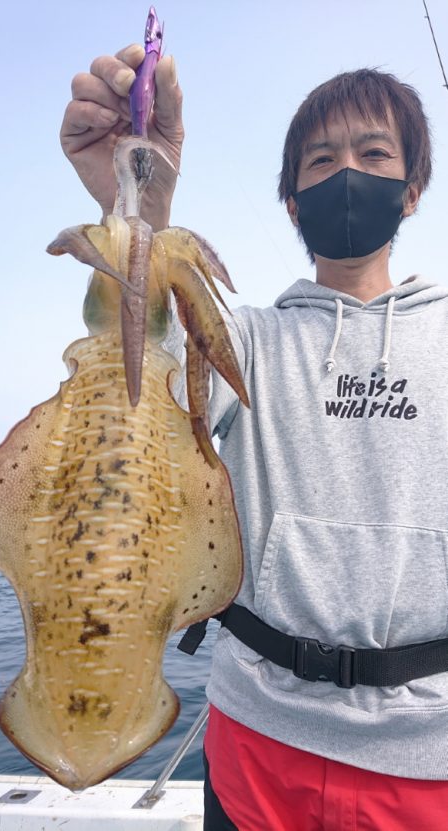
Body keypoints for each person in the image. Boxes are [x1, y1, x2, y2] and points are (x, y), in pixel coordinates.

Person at [61, 44, 448, 831]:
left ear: (410, 192)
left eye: (374, 154)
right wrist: (134, 204)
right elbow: (142, 374)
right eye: (321, 159)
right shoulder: (240, 338)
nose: (348, 172)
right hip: (258, 734)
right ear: (293, 201)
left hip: (428, 752)